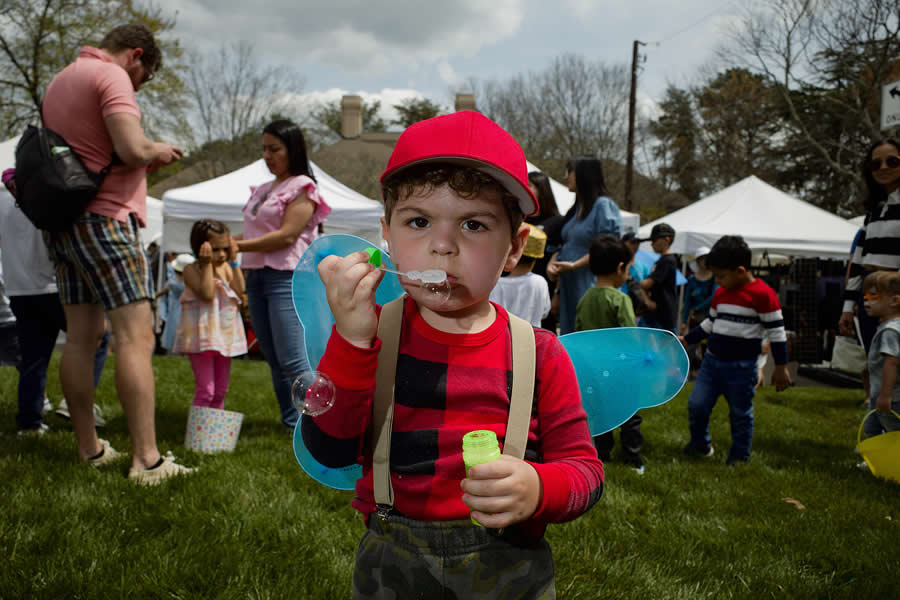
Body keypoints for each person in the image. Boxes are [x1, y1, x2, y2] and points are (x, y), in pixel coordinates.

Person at [307, 111, 604, 598]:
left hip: (508, 567)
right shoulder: (371, 337)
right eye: (419, 222)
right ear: (387, 236)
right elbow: (330, 450)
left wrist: (538, 489)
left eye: (473, 224)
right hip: (392, 566)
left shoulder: (539, 354)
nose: (442, 246)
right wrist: (352, 340)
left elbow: (586, 473)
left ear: (514, 249)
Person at [41, 24, 192, 483]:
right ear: (136, 55)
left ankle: (89, 448)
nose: (139, 86)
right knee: (135, 337)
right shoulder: (111, 76)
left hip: (64, 222)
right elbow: (130, 148)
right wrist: (157, 149)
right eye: (144, 77)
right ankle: (147, 460)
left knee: (80, 339)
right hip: (106, 220)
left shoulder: (62, 79)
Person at [236, 119, 331, 429]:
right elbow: (256, 232)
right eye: (264, 149)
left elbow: (287, 235)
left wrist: (235, 245)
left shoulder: (302, 187)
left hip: (286, 276)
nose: (267, 155)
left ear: (293, 149)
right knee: (274, 357)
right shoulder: (264, 189)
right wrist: (228, 243)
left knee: (292, 358)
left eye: (274, 149)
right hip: (256, 275)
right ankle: (292, 423)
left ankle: (320, 425)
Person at [2, 168, 110, 435]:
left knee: (33, 358)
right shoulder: (47, 191)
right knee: (96, 337)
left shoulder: (4, 197)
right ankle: (75, 403)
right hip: (54, 284)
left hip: (19, 288)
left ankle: (30, 423)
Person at [680, 235, 792, 465]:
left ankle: (739, 457)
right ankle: (700, 445)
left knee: (740, 413)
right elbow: (710, 323)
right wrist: (688, 339)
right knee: (697, 405)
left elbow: (777, 333)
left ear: (741, 271)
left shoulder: (764, 295)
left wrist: (781, 366)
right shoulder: (721, 293)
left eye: (721, 276)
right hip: (711, 364)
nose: (717, 281)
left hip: (742, 367)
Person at [575, 235, 644, 473]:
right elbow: (630, 336)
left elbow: (578, 332)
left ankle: (602, 454)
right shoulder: (620, 299)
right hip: (620, 370)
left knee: (600, 412)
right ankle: (632, 457)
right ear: (620, 268)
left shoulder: (584, 299)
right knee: (630, 413)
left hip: (593, 369)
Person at [839, 139, 900, 395]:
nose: (883, 167)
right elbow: (858, 261)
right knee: (875, 358)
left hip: (895, 296)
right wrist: (847, 307)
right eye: (876, 164)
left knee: (894, 359)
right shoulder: (874, 210)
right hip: (869, 293)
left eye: (892, 161)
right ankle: (879, 412)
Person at [173, 220, 247, 410]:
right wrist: (206, 265)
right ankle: (199, 429)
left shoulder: (226, 268)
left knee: (220, 391)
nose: (221, 254)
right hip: (201, 338)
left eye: (224, 249)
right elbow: (207, 294)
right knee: (206, 391)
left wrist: (234, 261)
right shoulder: (191, 270)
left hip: (224, 336)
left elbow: (240, 290)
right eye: (215, 249)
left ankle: (215, 429)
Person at [547, 157, 622, 335]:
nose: (565, 177)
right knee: (570, 336)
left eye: (569, 172)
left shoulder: (603, 206)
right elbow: (564, 245)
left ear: (584, 175)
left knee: (589, 336)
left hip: (590, 286)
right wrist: (553, 262)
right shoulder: (575, 210)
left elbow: (607, 248)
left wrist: (574, 265)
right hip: (568, 287)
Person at [859, 271, 900, 443]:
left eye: (873, 295)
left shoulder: (890, 331)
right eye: (865, 296)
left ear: (894, 300)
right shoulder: (890, 326)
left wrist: (885, 395)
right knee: (870, 426)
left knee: (893, 430)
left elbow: (891, 363)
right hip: (881, 393)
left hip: (892, 396)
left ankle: (889, 455)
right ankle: (875, 452)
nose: (866, 300)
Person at [489, 223, 551, 328]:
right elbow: (545, 312)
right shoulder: (540, 282)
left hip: (505, 335)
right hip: (533, 335)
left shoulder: (497, 284)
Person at [526, 171, 565, 332]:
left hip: (545, 288)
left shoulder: (557, 222)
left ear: (541, 190)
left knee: (544, 332)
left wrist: (557, 294)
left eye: (529, 185)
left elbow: (561, 257)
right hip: (516, 286)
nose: (525, 188)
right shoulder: (519, 218)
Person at [639, 223, 679, 333]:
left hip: (663, 315)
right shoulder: (664, 260)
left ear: (667, 239)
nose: (652, 243)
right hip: (658, 314)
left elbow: (647, 284)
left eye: (654, 240)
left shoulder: (667, 260)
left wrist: (636, 282)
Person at [158, 253, 193, 353]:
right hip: (187, 309)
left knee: (174, 329)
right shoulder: (190, 282)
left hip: (175, 309)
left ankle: (175, 349)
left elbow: (164, 290)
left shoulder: (173, 281)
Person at [620, 231, 651, 319]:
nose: (635, 246)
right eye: (632, 242)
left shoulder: (643, 266)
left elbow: (647, 289)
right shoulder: (617, 264)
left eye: (638, 243)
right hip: (620, 307)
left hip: (636, 311)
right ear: (623, 243)